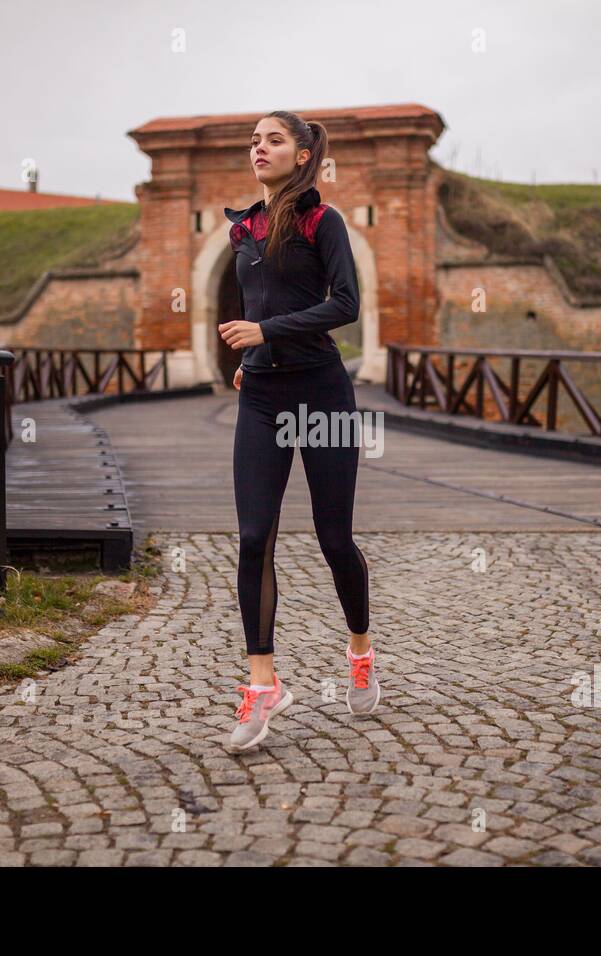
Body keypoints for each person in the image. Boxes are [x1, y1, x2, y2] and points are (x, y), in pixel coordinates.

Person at [219, 110, 378, 754]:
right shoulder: (242, 229)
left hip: (321, 395)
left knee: (334, 538)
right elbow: (257, 306)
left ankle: (361, 650)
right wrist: (252, 355)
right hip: (261, 395)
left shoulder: (323, 220)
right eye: (255, 140)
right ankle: (263, 683)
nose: (260, 148)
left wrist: (269, 335)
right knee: (255, 536)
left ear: (304, 154)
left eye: (274, 140)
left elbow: (345, 304)